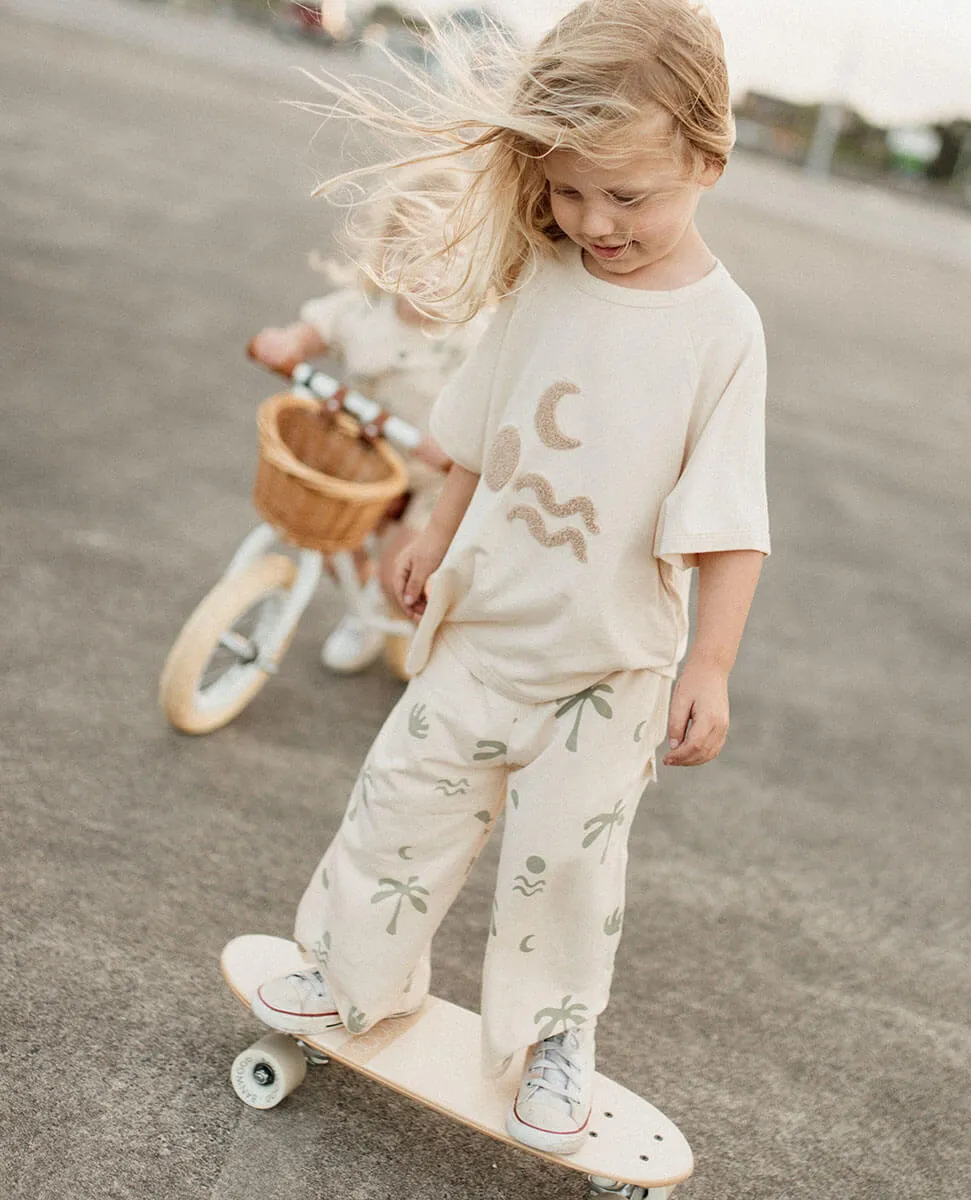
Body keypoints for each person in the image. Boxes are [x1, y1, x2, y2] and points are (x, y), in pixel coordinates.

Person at [248, 0, 770, 1155]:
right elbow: (481, 431)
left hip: (609, 669)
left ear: (707, 155)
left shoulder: (721, 331)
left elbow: (732, 522)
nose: (593, 221)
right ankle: (351, 977)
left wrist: (714, 665)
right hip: (481, 630)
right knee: (400, 810)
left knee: (566, 875)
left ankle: (551, 1040)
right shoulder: (546, 276)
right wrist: (435, 530)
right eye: (569, 191)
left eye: (626, 196)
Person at [250, 189, 484, 674]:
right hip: (364, 458)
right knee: (332, 543)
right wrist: (286, 342)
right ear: (388, 256)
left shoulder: (474, 335)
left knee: (404, 569)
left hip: (433, 475)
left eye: (449, 259)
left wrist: (461, 443)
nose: (431, 275)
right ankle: (366, 608)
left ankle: (395, 610)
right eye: (413, 256)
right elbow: (316, 331)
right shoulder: (364, 312)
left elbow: (496, 399)